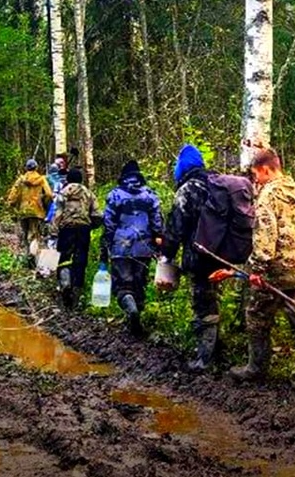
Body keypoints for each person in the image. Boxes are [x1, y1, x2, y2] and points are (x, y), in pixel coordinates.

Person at [227, 146, 295, 391]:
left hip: (274, 272)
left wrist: (258, 268)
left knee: (257, 317)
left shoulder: (267, 195)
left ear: (266, 170)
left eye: (256, 174)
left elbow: (265, 234)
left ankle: (256, 369)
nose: (255, 180)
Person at [160, 143, 221, 371]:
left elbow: (176, 227)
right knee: (212, 300)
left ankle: (205, 359)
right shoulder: (216, 185)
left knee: (202, 304)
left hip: (199, 256)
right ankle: (216, 350)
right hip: (222, 255)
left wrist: (166, 255)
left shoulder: (188, 189)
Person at [100, 159, 164, 337]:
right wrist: (158, 242)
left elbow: (109, 224)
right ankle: (136, 321)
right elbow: (157, 223)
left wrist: (105, 247)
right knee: (139, 284)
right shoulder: (150, 195)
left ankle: (130, 311)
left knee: (123, 286)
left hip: (120, 246)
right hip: (144, 247)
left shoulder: (115, 195)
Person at [52, 167, 100, 308]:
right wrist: (91, 226)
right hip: (83, 229)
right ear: (81, 179)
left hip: (66, 229)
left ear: (68, 179)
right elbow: (97, 215)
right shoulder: (88, 193)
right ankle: (76, 294)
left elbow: (57, 213)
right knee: (81, 260)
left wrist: (54, 231)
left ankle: (65, 283)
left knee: (64, 257)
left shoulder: (63, 193)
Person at [5, 158, 53, 253]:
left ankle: (26, 254)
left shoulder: (21, 180)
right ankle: (33, 256)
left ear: (26, 168)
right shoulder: (41, 179)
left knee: (25, 233)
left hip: (23, 211)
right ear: (36, 168)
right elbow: (49, 194)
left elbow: (13, 195)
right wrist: (44, 203)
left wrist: (12, 204)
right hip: (37, 210)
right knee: (34, 235)